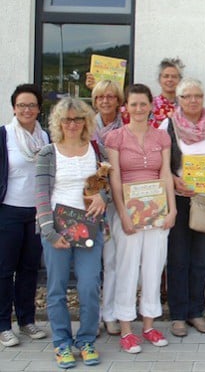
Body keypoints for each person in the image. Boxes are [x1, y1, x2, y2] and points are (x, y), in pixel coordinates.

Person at [105, 84, 177, 354]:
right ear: (126, 107)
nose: (138, 109)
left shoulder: (161, 137)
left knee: (153, 267)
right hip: (129, 212)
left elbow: (166, 173)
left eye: (143, 104)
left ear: (150, 106)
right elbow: (114, 178)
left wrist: (172, 209)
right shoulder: (116, 138)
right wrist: (122, 214)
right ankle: (126, 328)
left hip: (157, 210)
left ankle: (148, 325)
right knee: (127, 267)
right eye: (133, 104)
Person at [35, 98, 106, 368]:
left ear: (86, 122)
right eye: (67, 119)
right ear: (59, 123)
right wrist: (49, 232)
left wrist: (102, 197)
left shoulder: (96, 151)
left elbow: (105, 185)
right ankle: (62, 343)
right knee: (57, 288)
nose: (73, 124)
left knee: (89, 286)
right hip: (57, 226)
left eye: (78, 119)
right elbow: (41, 195)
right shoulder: (47, 153)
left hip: (89, 227)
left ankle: (86, 340)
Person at [160, 78, 205, 337]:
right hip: (177, 199)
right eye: (187, 96)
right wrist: (173, 178)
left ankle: (196, 312)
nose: (193, 100)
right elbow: (160, 162)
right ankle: (178, 315)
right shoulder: (167, 125)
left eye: (197, 95)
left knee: (201, 260)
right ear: (178, 99)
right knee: (178, 259)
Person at [0, 84, 49, 348]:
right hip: (8, 211)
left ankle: (27, 320)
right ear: (14, 108)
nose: (26, 110)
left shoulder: (46, 138)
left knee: (30, 269)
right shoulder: (4, 135)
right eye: (21, 105)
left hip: (38, 213)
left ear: (39, 109)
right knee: (5, 270)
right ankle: (3, 325)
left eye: (31, 105)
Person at [90, 80, 124, 336]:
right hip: (89, 203)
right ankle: (92, 316)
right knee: (90, 263)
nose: (105, 101)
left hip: (118, 202)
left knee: (113, 260)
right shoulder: (85, 126)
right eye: (100, 97)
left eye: (110, 97)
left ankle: (110, 313)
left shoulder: (126, 127)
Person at [150, 57, 184, 128]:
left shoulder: (185, 104)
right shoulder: (150, 104)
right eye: (166, 76)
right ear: (159, 79)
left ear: (180, 80)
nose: (170, 79)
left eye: (174, 77)